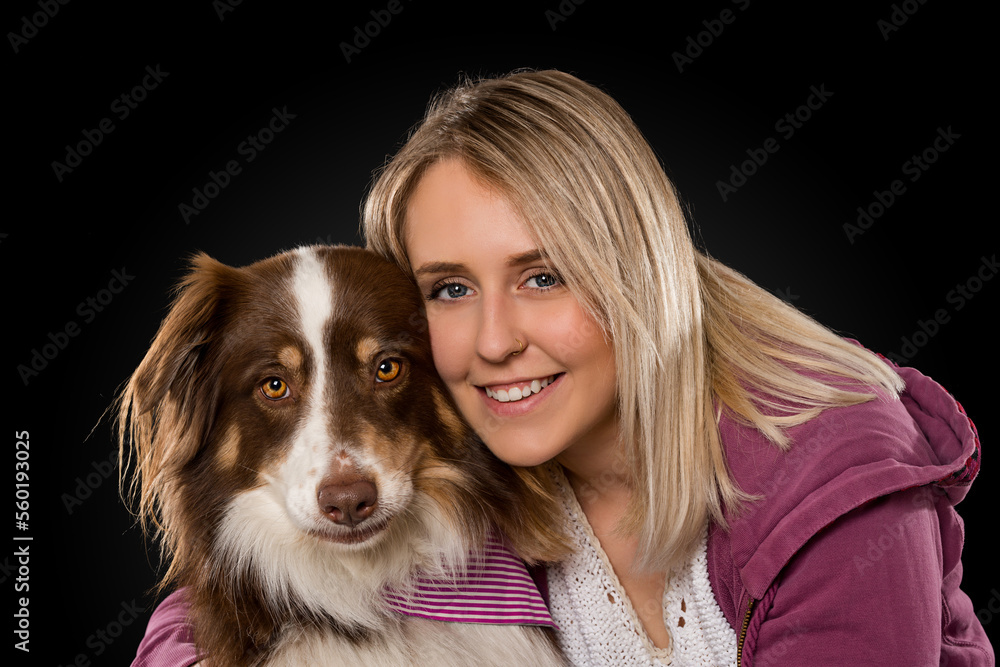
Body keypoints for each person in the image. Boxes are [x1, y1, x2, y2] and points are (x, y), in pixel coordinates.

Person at [132, 70, 993, 666]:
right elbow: (223, 593)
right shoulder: (498, 460)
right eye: (452, 287)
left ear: (637, 268)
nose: (496, 340)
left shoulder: (831, 481)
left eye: (543, 275)